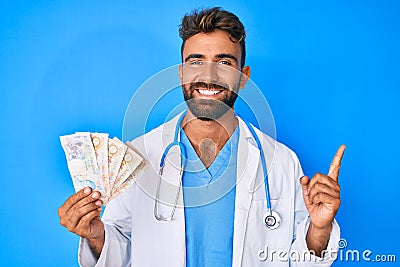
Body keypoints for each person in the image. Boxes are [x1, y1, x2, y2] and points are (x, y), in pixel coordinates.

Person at [58, 7, 345, 266]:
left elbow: (300, 261)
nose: (209, 75)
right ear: (182, 73)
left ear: (243, 77)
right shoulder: (139, 155)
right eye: (196, 61)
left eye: (224, 63)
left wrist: (319, 229)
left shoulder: (280, 161)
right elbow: (120, 255)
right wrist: (96, 235)